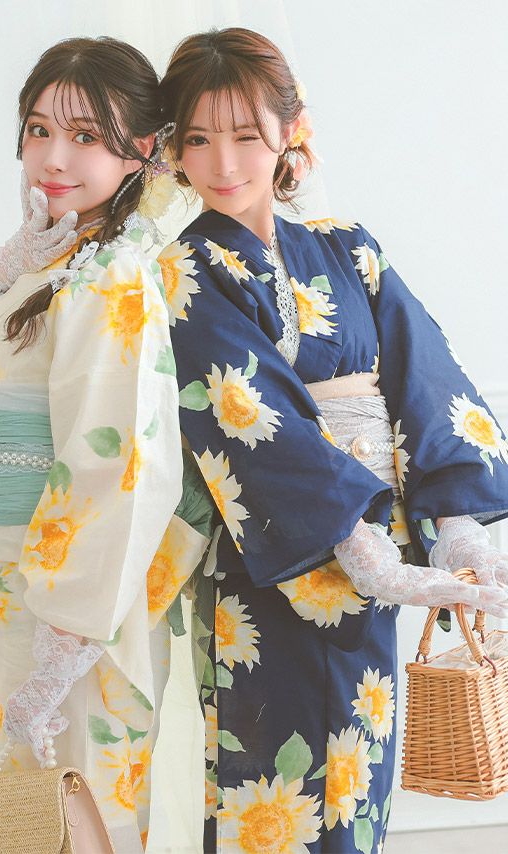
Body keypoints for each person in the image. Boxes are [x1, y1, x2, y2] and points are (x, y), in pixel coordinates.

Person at [157, 27, 508, 854]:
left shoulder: (349, 246)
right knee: (272, 793)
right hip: (275, 565)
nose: (223, 163)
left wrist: (457, 527)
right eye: (198, 139)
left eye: (246, 135)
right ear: (173, 148)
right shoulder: (184, 271)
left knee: (356, 784)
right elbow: (246, 412)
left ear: (290, 130)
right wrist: (359, 546)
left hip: (378, 565)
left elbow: (425, 375)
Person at [0, 37, 214, 853]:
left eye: (87, 136)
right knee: (26, 818)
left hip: (77, 609)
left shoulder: (114, 274)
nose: (54, 158)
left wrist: (64, 644)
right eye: (38, 130)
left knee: (83, 809)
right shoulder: (38, 265)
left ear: (143, 149)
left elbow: (118, 466)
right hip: (7, 581)